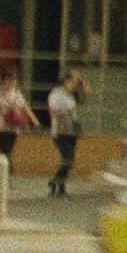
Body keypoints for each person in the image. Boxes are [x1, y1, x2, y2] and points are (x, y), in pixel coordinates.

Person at [47, 70, 86, 198]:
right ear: (65, 81)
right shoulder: (56, 94)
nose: (74, 85)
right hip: (60, 132)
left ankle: (61, 189)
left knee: (68, 160)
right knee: (68, 159)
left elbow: (87, 95)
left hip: (71, 131)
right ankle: (54, 181)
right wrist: (68, 112)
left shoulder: (71, 95)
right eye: (72, 82)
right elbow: (53, 113)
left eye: (75, 83)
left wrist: (81, 81)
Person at [0, 73, 35, 164]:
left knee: (8, 150)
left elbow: (24, 107)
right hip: (0, 126)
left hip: (13, 126)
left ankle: (5, 170)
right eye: (9, 80)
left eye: (14, 80)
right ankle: (8, 171)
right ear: (4, 80)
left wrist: (34, 119)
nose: (12, 82)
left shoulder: (17, 93)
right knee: (5, 150)